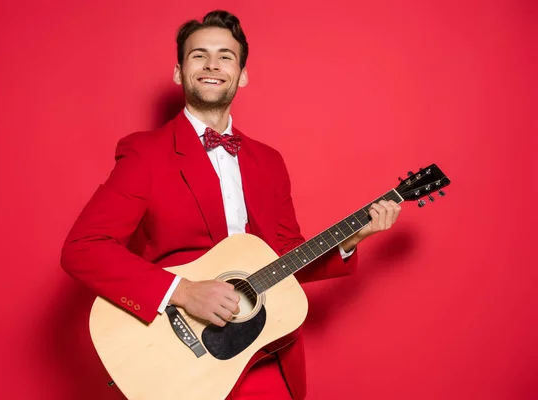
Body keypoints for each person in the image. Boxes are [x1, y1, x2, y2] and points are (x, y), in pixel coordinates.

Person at [61, 10, 401, 400]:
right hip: (180, 355)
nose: (212, 65)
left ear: (242, 75)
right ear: (178, 72)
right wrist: (184, 291)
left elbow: (287, 258)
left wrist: (350, 239)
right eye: (198, 55)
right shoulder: (145, 154)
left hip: (261, 350)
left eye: (226, 56)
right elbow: (83, 249)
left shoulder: (269, 161)